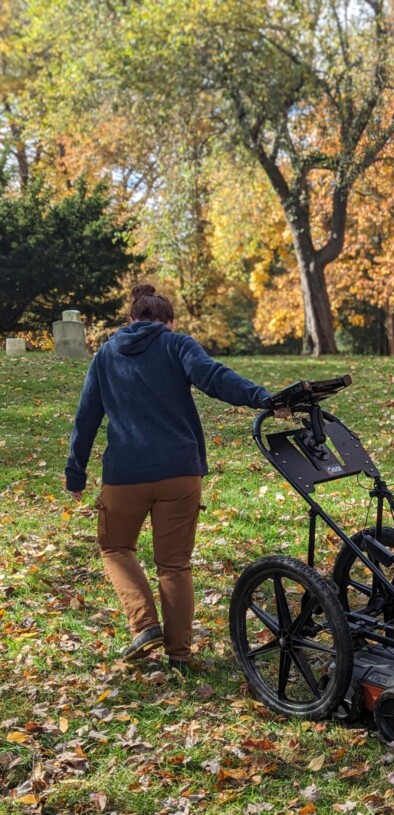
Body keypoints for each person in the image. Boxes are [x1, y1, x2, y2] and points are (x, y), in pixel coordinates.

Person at [64, 284, 284, 672]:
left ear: (130, 320)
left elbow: (86, 418)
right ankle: (179, 655)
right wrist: (264, 398)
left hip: (124, 475)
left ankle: (145, 625)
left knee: (116, 548)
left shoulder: (106, 354)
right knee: (174, 565)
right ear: (169, 321)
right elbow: (215, 377)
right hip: (180, 473)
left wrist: (75, 471)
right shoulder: (176, 344)